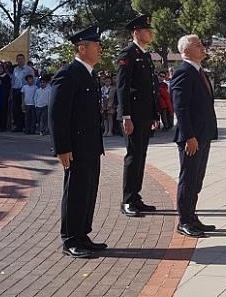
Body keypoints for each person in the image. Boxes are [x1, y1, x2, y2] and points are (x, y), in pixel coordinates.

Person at [50, 25, 107, 258]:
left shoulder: (90, 74)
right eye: (96, 45)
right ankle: (70, 239)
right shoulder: (68, 73)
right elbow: (57, 114)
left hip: (92, 145)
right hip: (75, 147)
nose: (100, 49)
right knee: (74, 191)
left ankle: (83, 234)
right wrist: (61, 147)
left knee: (88, 190)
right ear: (82, 48)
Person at [171, 34, 218, 238]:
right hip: (192, 138)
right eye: (197, 45)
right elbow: (180, 108)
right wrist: (189, 136)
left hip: (203, 135)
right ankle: (184, 221)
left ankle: (192, 216)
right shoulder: (183, 72)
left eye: (201, 44)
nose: (202, 48)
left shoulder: (199, 72)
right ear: (185, 51)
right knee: (188, 179)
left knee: (197, 180)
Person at [116, 14, 159, 217]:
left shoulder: (146, 55)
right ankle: (127, 200)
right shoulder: (128, 54)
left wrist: (154, 115)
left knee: (141, 156)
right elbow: (123, 88)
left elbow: (151, 89)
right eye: (147, 30)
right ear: (136, 32)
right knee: (133, 156)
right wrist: (125, 116)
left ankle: (136, 196)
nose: (150, 33)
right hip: (132, 116)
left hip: (144, 115)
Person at [11, 54, 35, 132]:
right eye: (18, 59)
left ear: (24, 60)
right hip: (16, 89)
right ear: (16, 60)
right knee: (15, 109)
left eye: (21, 59)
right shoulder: (15, 69)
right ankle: (18, 126)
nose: (20, 60)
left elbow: (32, 80)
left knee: (24, 108)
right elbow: (13, 80)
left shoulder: (29, 69)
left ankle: (26, 126)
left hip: (25, 90)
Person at [0, 64, 12, 132]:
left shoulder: (6, 76)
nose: (0, 70)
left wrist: (1, 83)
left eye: (1, 68)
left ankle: (3, 126)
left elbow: (8, 86)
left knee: (4, 111)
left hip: (4, 96)